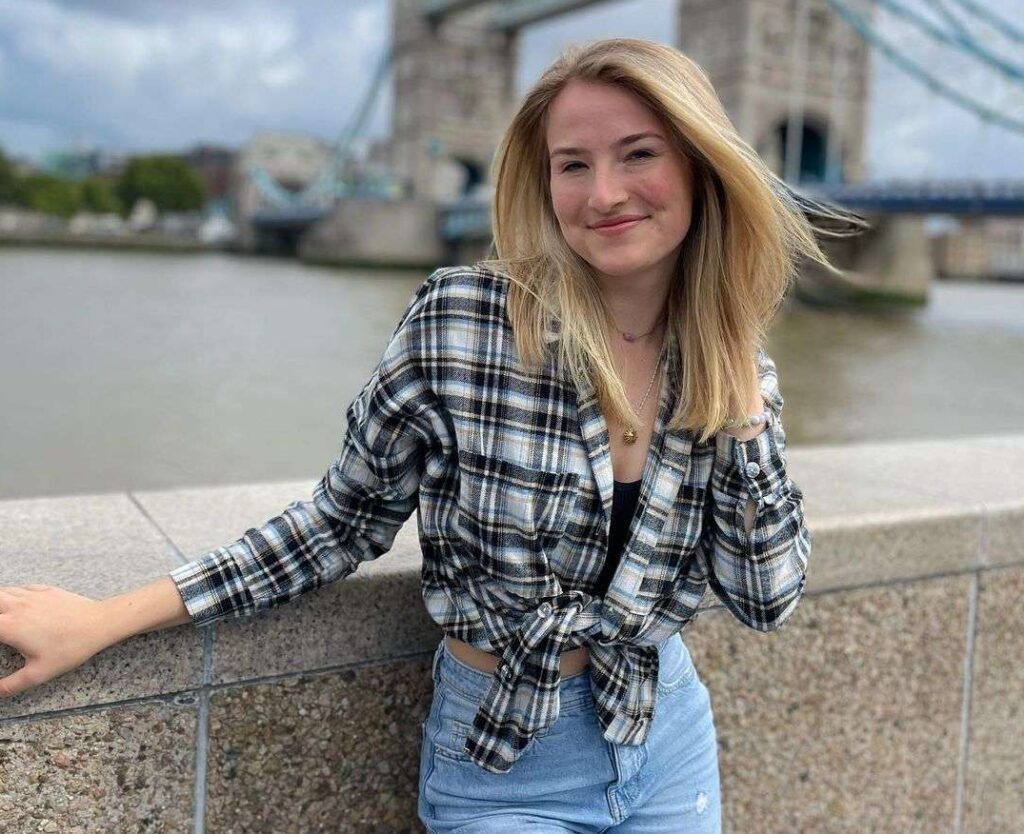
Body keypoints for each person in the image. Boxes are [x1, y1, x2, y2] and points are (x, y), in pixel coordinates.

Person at [0, 38, 863, 833]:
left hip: (664, 735)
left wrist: (743, 407)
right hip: (504, 757)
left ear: (702, 165)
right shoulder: (465, 322)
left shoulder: (731, 366)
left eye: (639, 154)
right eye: (573, 165)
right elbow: (340, 525)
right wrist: (108, 618)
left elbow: (765, 598)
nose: (602, 194)